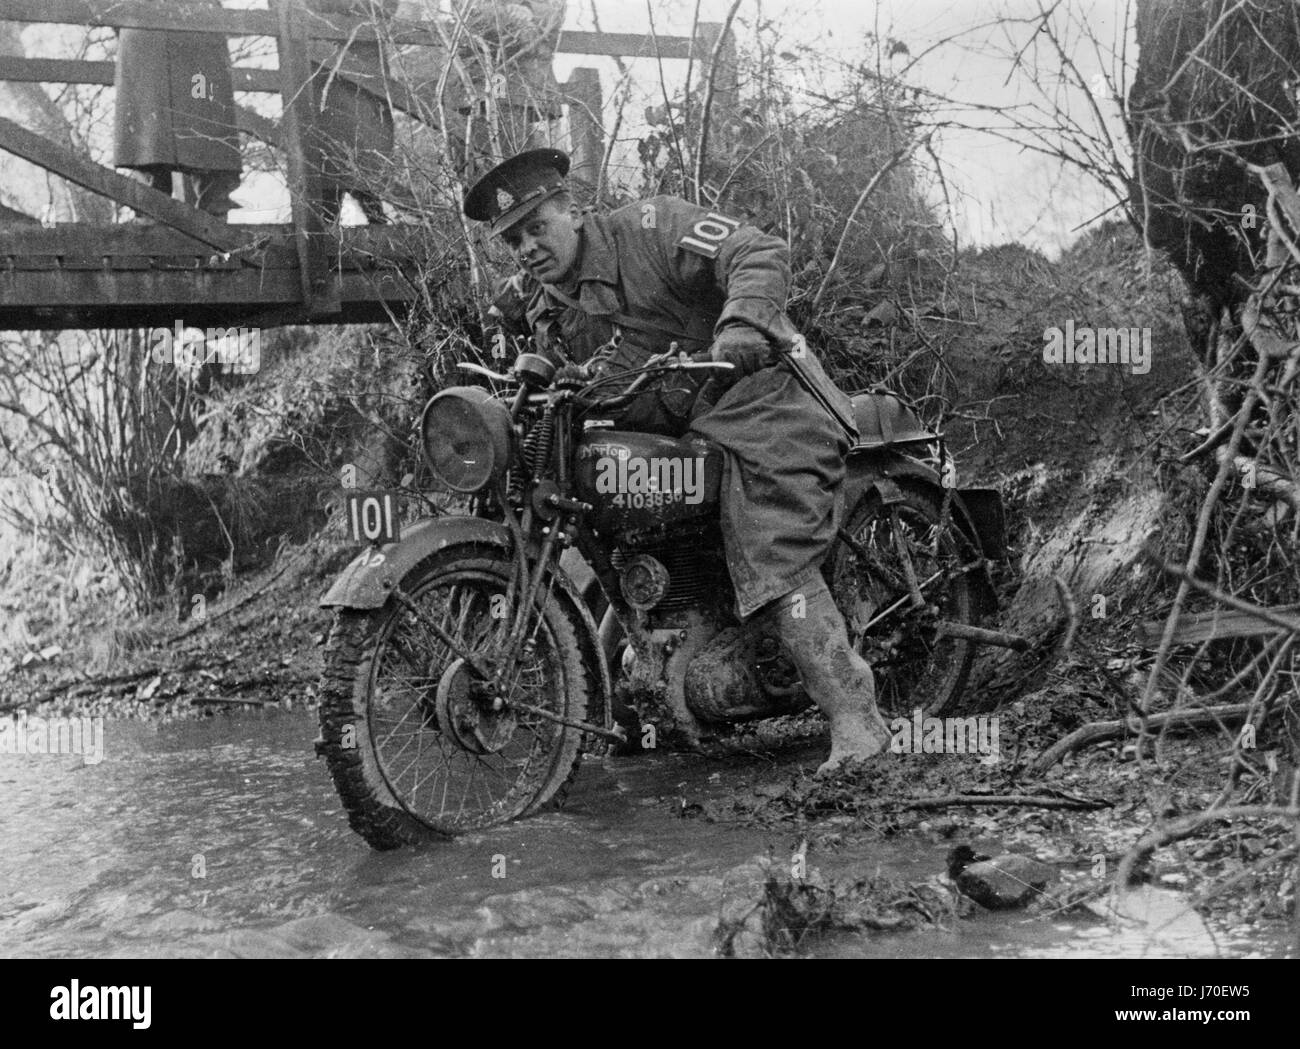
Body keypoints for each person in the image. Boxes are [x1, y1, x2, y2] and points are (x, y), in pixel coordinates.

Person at [464, 149, 892, 775]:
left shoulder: (652, 226)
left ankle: (858, 721)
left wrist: (742, 323)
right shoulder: (547, 303)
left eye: (537, 226)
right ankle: (635, 696)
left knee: (768, 537)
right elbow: (583, 375)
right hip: (678, 425)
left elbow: (758, 250)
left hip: (763, 402)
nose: (526, 247)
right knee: (608, 525)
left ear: (576, 212)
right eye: (513, 239)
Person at [112, 0, 241, 218]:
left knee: (192, 145)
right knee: (153, 149)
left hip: (188, 39)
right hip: (172, 36)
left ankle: (210, 239)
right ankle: (198, 238)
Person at [302, 0, 397, 225]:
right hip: (323, 65)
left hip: (364, 59)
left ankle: (377, 232)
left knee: (366, 153)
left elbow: (388, 8)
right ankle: (328, 235)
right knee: (328, 159)